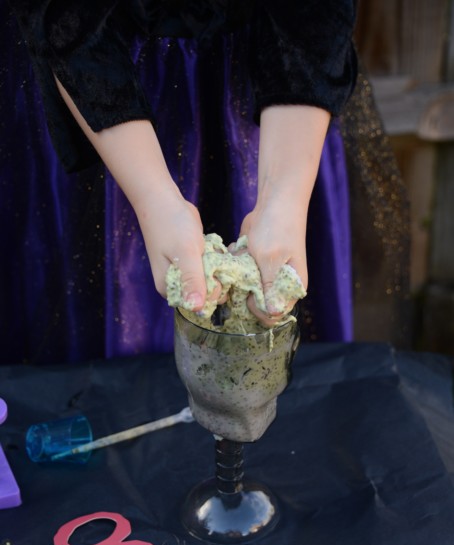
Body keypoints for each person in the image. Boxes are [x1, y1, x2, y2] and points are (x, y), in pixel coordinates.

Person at [6, 1, 357, 359]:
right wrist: (153, 199)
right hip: (97, 85)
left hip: (277, 93)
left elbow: (315, 14)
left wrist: (284, 198)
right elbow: (65, 19)